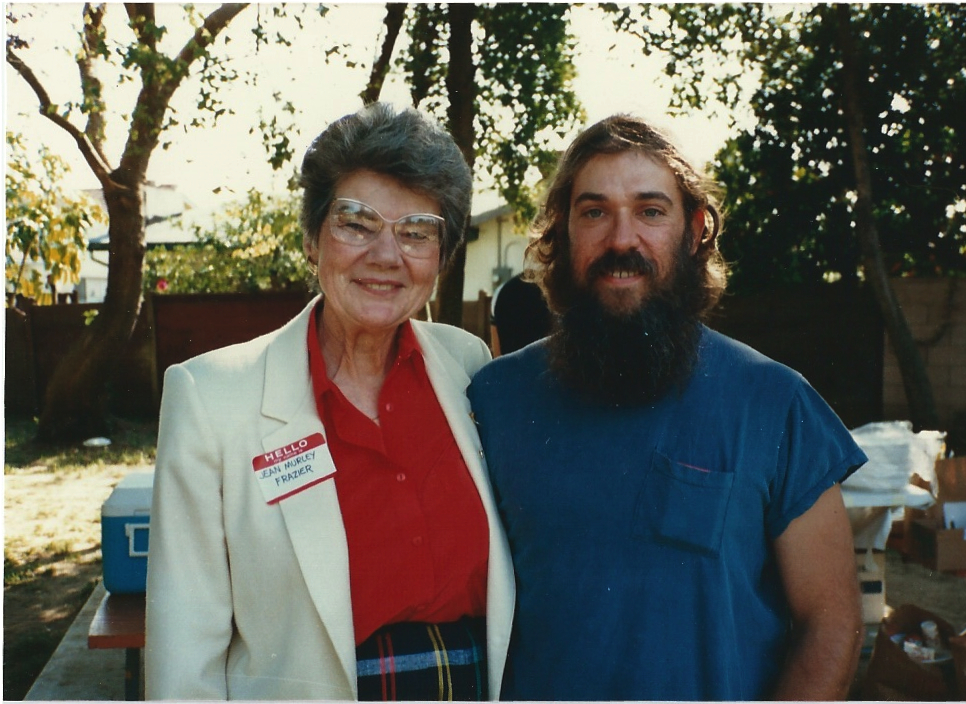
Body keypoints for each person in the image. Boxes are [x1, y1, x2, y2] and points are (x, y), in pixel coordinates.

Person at [468, 115, 867, 701]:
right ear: (563, 231)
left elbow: (832, 624)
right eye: (594, 211)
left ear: (694, 229)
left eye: (651, 211)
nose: (622, 239)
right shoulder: (494, 401)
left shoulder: (776, 403)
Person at [146, 103, 514, 700]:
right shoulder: (212, 398)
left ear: (440, 260)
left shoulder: (468, 364)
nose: (386, 255)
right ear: (313, 239)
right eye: (357, 223)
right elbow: (184, 653)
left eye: (416, 232)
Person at [489, 271, 552, 356]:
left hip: (510, 366)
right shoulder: (561, 290)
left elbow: (497, 354)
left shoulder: (502, 291)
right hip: (551, 363)